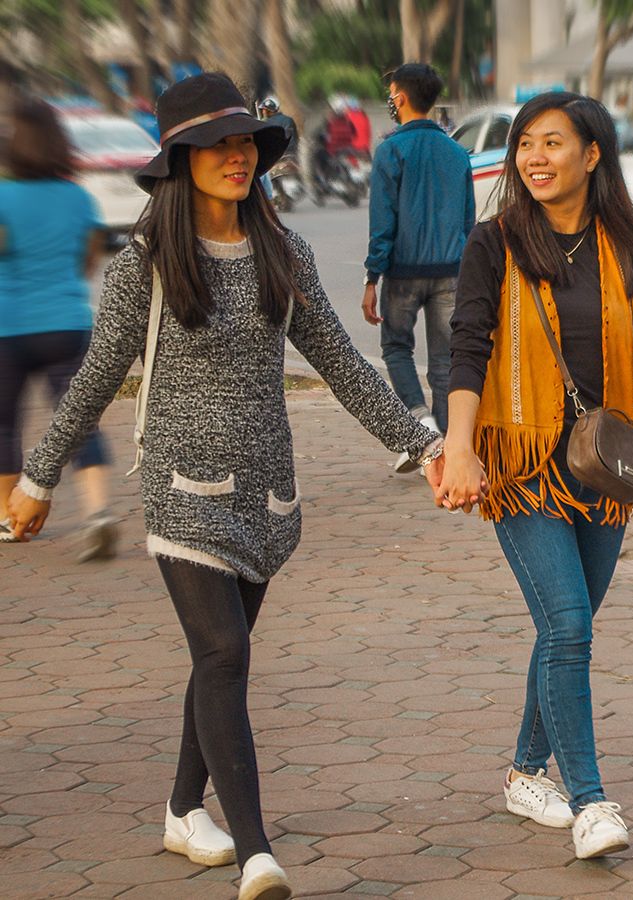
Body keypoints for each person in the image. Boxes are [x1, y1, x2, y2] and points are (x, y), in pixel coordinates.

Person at [6, 73, 443, 900]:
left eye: (244, 140)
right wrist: (39, 474)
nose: (235, 155)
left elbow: (343, 364)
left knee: (219, 667)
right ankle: (256, 854)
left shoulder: (286, 253)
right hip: (179, 486)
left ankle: (181, 809)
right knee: (224, 652)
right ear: (179, 161)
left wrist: (421, 446)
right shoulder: (148, 262)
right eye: (215, 143)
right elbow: (100, 373)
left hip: (267, 490)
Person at [435, 91, 633, 860]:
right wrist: (460, 447)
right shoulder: (494, 242)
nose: (534, 157)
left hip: (605, 465)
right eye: (525, 144)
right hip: (523, 464)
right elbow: (467, 348)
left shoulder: (623, 246)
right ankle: (592, 802)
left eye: (553, 143)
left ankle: (525, 772)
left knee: (564, 628)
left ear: (592, 154)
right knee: (567, 623)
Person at [0, 98, 116, 559]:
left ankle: (12, 520)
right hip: (68, 324)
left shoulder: (4, 196)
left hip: (8, 327)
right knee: (80, 421)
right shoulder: (79, 196)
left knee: (3, 426)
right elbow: (89, 260)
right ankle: (99, 513)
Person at [362, 63, 474, 443]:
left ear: (401, 98)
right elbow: (467, 223)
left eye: (391, 94)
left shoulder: (390, 151)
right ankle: (451, 440)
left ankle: (420, 420)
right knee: (445, 362)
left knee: (396, 347)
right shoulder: (457, 153)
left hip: (403, 273)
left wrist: (371, 278)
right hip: (450, 273)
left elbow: (383, 225)